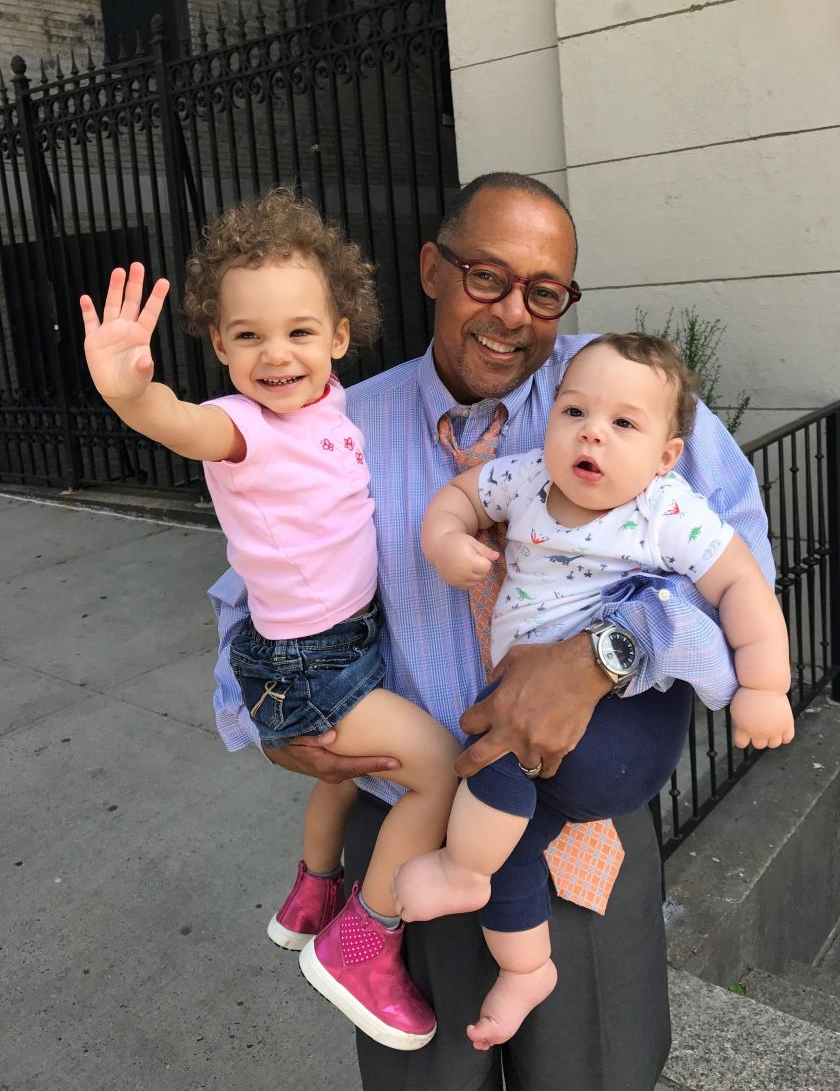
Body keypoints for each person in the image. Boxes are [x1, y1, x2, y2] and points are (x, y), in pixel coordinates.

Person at [210, 172, 776, 1091]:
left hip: (581, 831)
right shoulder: (336, 422)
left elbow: (743, 574)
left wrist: (610, 654)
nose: (513, 313)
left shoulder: (624, 395)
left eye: (543, 291)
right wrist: (271, 722)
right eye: (485, 277)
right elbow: (252, 588)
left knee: (598, 1072)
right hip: (413, 830)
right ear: (432, 269)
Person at [79, 190, 461, 1051]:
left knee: (342, 774)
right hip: (308, 663)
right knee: (437, 770)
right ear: (218, 344)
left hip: (338, 641)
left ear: (338, 335)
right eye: (248, 335)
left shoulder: (333, 406)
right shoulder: (241, 427)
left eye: (297, 331)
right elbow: (178, 422)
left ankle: (311, 891)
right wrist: (131, 396)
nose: (274, 354)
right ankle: (365, 943)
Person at [394, 331, 794, 1048]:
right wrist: (447, 538)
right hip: (533, 736)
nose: (592, 435)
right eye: (574, 412)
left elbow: (740, 582)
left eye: (623, 424)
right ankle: (525, 968)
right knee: (514, 836)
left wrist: (764, 684)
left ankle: (461, 869)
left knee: (496, 767)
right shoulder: (523, 482)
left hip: (621, 723)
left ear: (666, 456)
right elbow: (458, 494)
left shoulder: (664, 512)